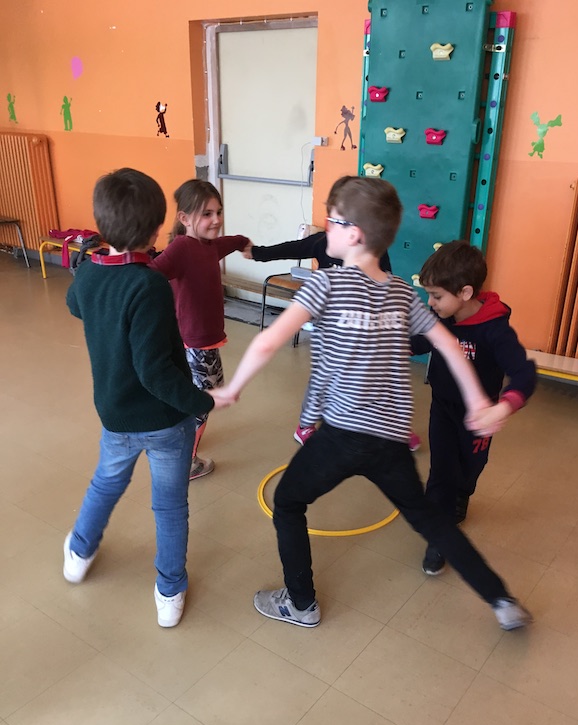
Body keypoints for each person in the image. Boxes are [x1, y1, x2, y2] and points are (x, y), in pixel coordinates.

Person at [210, 176, 532, 632]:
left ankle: (300, 604)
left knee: (288, 502)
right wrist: (480, 399)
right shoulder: (400, 291)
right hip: (391, 442)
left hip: (342, 437)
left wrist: (232, 388)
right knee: (429, 519)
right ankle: (501, 600)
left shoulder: (324, 285)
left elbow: (267, 342)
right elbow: (447, 344)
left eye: (332, 221)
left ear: (354, 234)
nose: (325, 228)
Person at [64, 168, 228, 628]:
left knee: (106, 483)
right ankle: (169, 591)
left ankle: (78, 552)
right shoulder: (148, 285)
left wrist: (91, 265)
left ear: (102, 223)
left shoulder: (90, 273)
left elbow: (74, 304)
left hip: (115, 414)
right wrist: (202, 402)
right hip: (165, 422)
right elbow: (155, 372)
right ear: (157, 227)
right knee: (170, 506)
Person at [411, 240, 537, 576]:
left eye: (436, 296)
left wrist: (503, 408)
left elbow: (525, 373)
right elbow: (416, 341)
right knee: (441, 472)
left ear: (465, 292)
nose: (429, 303)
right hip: (442, 406)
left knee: (469, 468)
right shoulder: (439, 318)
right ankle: (439, 537)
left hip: (479, 419)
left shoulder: (495, 330)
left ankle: (462, 494)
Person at [244, 230, 421, 452]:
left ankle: (392, 426)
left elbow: (385, 287)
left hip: (361, 326)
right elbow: (293, 248)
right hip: (330, 329)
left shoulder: (375, 245)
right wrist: (257, 252)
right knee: (324, 376)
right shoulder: (324, 241)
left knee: (377, 376)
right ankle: (305, 426)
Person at [152, 180, 250, 479]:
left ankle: (180, 440)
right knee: (202, 402)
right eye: (207, 214)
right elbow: (151, 274)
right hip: (194, 342)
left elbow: (226, 242)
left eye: (218, 212)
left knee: (200, 396)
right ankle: (185, 461)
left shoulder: (207, 246)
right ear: (184, 218)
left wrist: (243, 242)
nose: (216, 220)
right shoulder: (182, 248)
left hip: (202, 342)